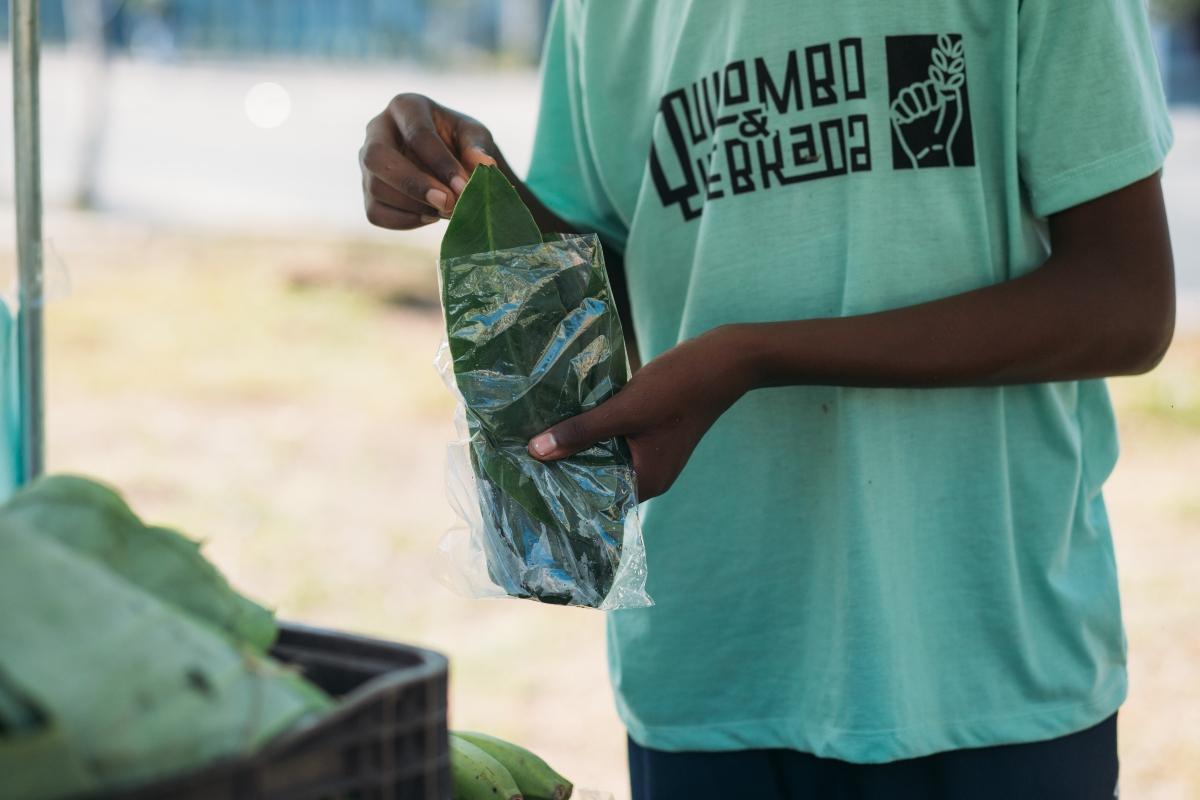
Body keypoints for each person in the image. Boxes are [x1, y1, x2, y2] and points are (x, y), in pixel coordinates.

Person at [359, 1, 1175, 797]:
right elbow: (607, 289)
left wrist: (752, 357)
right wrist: (477, 185)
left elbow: (1125, 303)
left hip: (987, 662)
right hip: (716, 662)